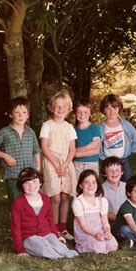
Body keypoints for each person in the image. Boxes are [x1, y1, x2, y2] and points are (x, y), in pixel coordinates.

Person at [11, 168, 78, 259]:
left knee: (59, 246)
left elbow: (50, 219)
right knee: (43, 247)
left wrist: (57, 235)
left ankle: (64, 252)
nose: (31, 186)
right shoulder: (18, 203)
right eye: (26, 183)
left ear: (40, 182)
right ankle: (55, 256)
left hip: (47, 234)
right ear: (21, 186)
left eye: (34, 181)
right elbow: (16, 227)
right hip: (30, 237)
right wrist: (20, 250)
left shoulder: (45, 198)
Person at [40, 90, 77, 241]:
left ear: (68, 109)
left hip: (66, 162)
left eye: (64, 107)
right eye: (57, 106)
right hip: (51, 162)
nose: (60, 109)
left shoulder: (69, 127)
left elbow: (72, 149)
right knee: (54, 197)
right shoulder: (47, 125)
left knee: (64, 196)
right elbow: (44, 147)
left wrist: (66, 164)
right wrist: (55, 163)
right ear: (51, 107)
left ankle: (63, 228)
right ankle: (53, 228)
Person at [0, 97, 41, 206]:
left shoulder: (30, 132)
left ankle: (28, 222)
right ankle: (16, 223)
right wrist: (5, 156)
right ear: (11, 114)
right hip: (13, 175)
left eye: (24, 112)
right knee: (16, 204)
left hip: (30, 175)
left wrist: (38, 168)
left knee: (30, 202)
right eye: (17, 112)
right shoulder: (4, 132)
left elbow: (36, 150)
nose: (20, 115)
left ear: (28, 115)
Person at [98, 94, 136, 182]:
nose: (111, 111)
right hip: (108, 162)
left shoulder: (125, 124)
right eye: (108, 108)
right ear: (103, 110)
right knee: (109, 186)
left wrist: (129, 150)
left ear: (119, 108)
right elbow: (97, 144)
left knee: (127, 184)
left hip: (123, 161)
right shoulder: (100, 127)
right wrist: (101, 155)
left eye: (114, 108)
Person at [72, 170, 118, 254]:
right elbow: (83, 225)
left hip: (99, 230)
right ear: (81, 185)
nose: (91, 185)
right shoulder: (78, 202)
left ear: (97, 184)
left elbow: (105, 222)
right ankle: (81, 247)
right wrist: (95, 235)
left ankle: (102, 244)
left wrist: (107, 231)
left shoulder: (102, 201)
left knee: (113, 246)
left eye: (94, 182)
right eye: (87, 182)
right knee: (100, 247)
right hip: (86, 232)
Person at [73, 98, 100, 177]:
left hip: (92, 163)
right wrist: (89, 146)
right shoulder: (73, 130)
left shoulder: (94, 128)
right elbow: (71, 150)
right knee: (77, 186)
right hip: (76, 164)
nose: (82, 115)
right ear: (75, 113)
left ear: (90, 113)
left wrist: (77, 154)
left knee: (92, 185)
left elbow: (96, 150)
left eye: (85, 112)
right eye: (79, 112)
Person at [101, 157, 127, 222]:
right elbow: (100, 211)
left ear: (122, 172)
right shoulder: (101, 190)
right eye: (110, 170)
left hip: (128, 218)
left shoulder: (126, 186)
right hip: (109, 222)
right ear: (104, 173)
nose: (114, 173)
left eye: (117, 170)